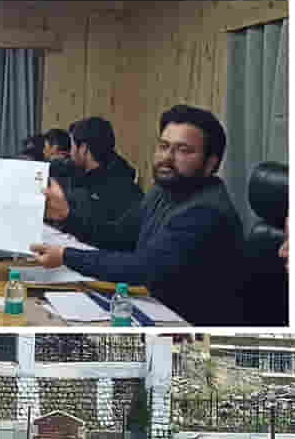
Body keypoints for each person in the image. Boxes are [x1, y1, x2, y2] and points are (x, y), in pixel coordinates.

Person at [30, 105, 245, 326]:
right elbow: (119, 235)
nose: (167, 158)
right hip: (154, 309)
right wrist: (67, 216)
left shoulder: (207, 211)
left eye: (183, 150)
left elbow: (142, 267)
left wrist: (65, 255)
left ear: (211, 163)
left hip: (190, 329)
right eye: (163, 146)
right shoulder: (164, 191)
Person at [46, 117, 143, 244]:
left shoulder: (115, 189)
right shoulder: (92, 173)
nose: (70, 153)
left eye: (73, 146)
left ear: (84, 149)